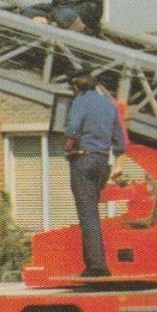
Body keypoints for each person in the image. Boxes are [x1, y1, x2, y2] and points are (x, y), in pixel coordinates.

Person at [64, 72, 127, 277]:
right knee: (92, 212)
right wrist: (118, 165)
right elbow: (120, 140)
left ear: (76, 86)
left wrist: (68, 145)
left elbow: (73, 129)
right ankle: (96, 261)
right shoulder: (109, 104)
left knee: (88, 214)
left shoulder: (80, 101)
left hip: (84, 160)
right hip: (102, 162)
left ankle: (97, 266)